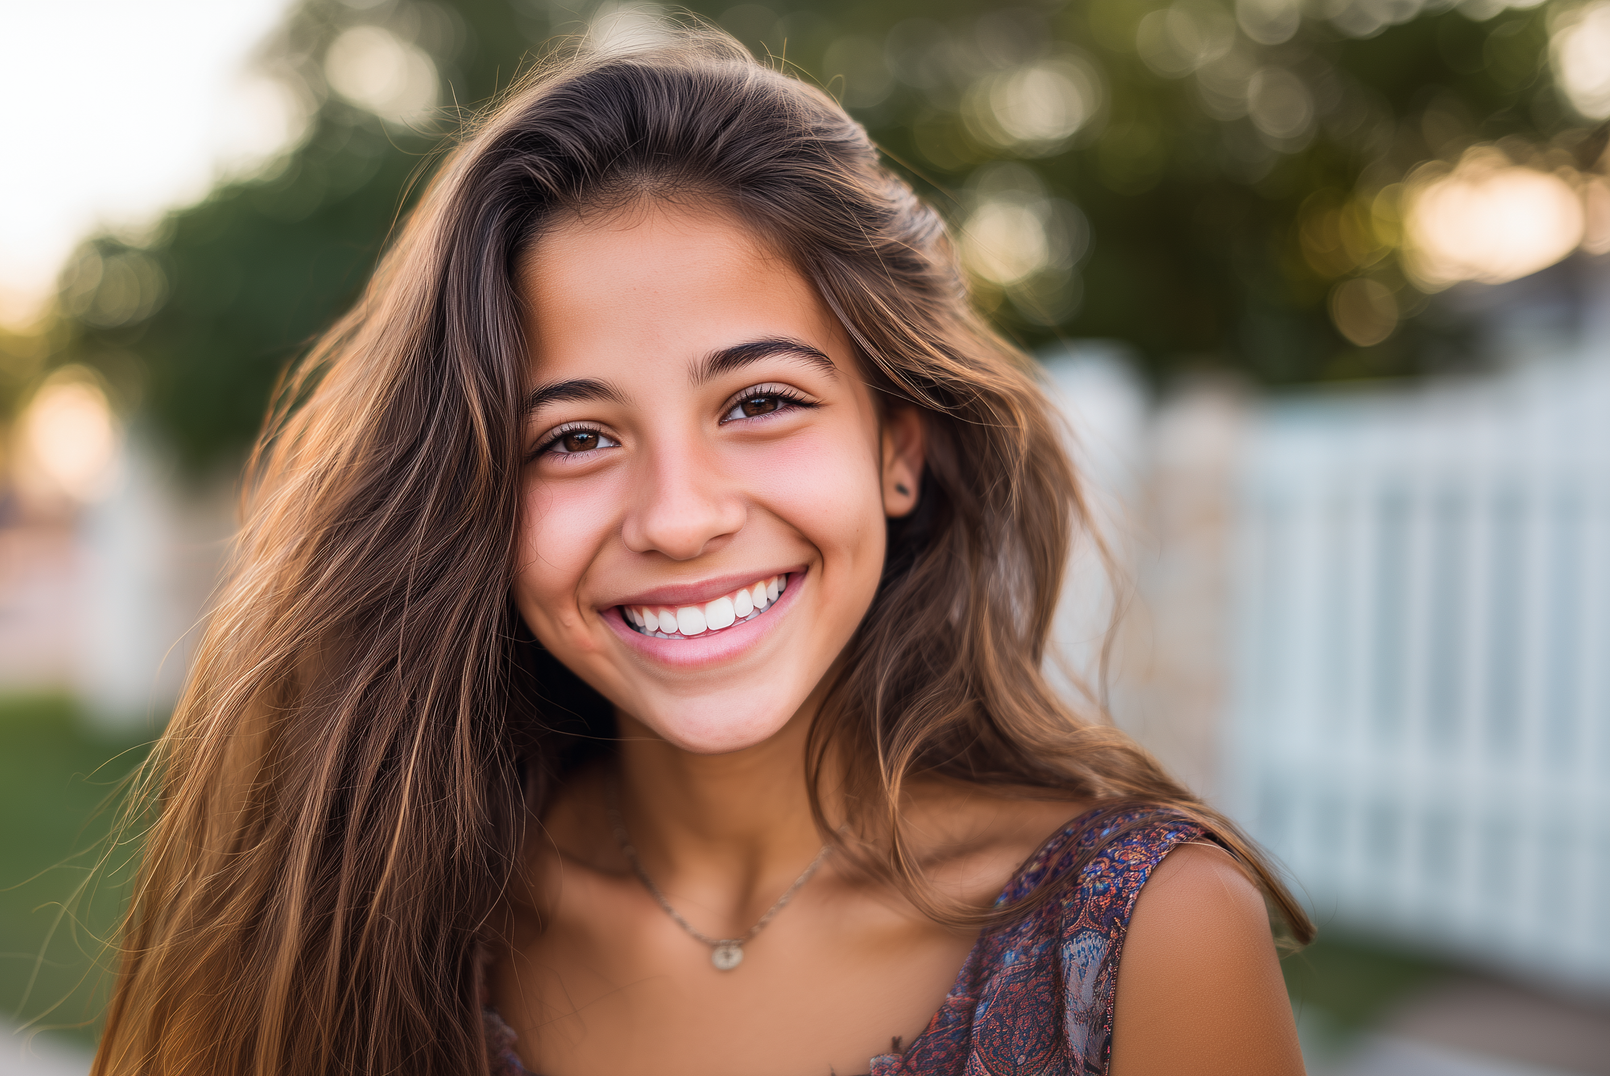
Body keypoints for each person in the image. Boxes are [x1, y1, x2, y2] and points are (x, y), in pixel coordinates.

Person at [91, 25, 1313, 1076]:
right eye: (572, 435)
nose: (678, 515)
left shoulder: (1146, 934)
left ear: (900, 446)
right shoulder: (379, 909)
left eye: (760, 402)